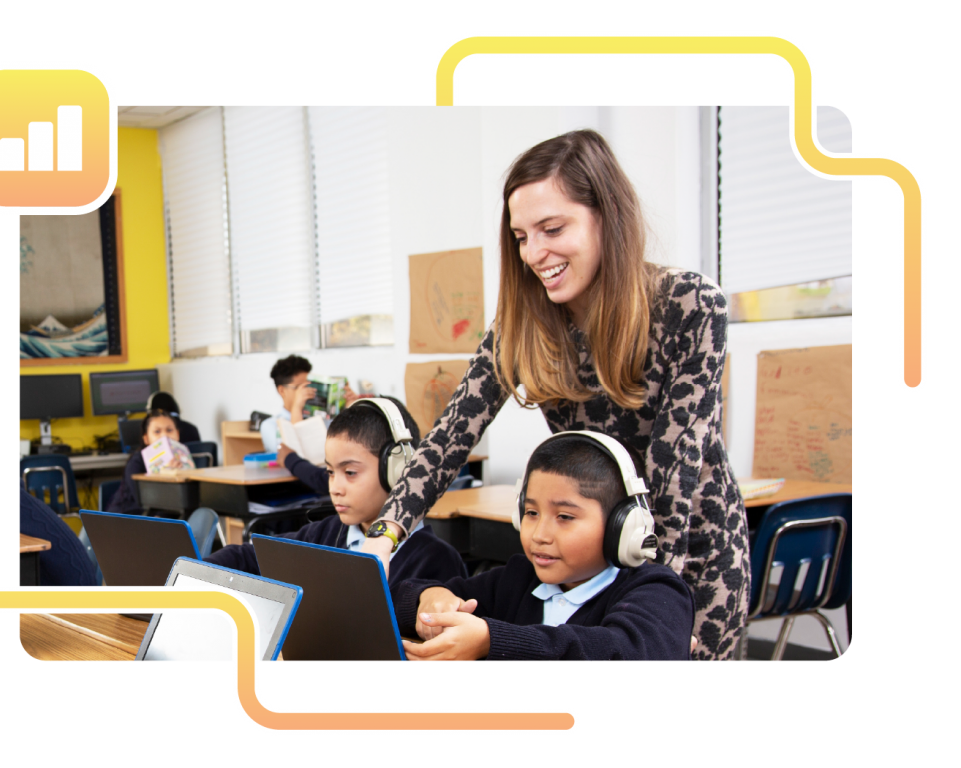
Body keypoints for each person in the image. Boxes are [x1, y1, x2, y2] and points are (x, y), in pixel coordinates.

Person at [362, 130, 750, 662]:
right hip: (586, 546)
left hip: (688, 545)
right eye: (522, 236)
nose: (535, 254)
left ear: (606, 217)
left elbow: (675, 466)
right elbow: (450, 438)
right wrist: (383, 539)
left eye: (552, 228)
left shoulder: (689, 304)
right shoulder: (524, 326)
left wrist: (668, 599)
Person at [395, 434, 693, 662]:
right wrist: (429, 597)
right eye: (531, 512)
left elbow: (622, 651)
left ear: (622, 526)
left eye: (564, 517)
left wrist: (492, 640)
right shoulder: (519, 579)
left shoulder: (658, 591)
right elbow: (399, 598)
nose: (539, 534)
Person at [205, 397, 467, 587]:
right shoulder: (325, 534)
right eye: (330, 472)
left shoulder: (437, 559)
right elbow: (252, 557)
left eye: (350, 473)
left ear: (398, 471)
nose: (335, 488)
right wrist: (192, 570)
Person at [260, 355, 361, 494]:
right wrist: (297, 407)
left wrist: (352, 407)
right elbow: (296, 454)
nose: (307, 393)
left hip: (326, 486)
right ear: (282, 390)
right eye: (299, 388)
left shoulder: (323, 420)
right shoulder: (271, 425)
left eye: (309, 386)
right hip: (293, 489)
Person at [107, 409, 186, 515]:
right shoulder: (136, 462)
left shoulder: (183, 458)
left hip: (165, 517)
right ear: (146, 439)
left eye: (169, 430)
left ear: (178, 434)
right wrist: (166, 474)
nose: (164, 436)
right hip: (128, 518)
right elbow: (148, 501)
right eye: (157, 432)